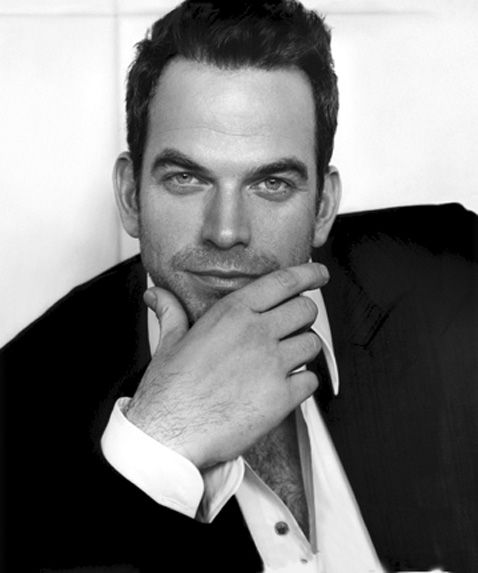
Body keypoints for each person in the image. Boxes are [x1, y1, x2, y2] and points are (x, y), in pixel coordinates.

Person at [1, 1, 477, 571]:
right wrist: (155, 447)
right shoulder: (18, 405)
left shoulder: (456, 272)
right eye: (186, 178)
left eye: (271, 183)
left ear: (323, 206)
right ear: (130, 196)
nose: (226, 231)